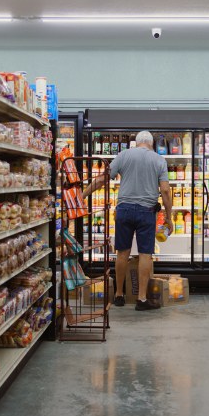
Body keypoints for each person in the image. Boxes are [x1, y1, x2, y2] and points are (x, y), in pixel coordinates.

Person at [83, 130, 173, 311]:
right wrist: (169, 218)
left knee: (122, 252)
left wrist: (82, 195)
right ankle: (141, 299)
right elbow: (164, 190)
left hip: (124, 210)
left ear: (136, 143)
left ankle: (118, 295)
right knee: (145, 254)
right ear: (151, 144)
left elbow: (102, 180)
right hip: (147, 212)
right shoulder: (158, 160)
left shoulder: (123, 156)